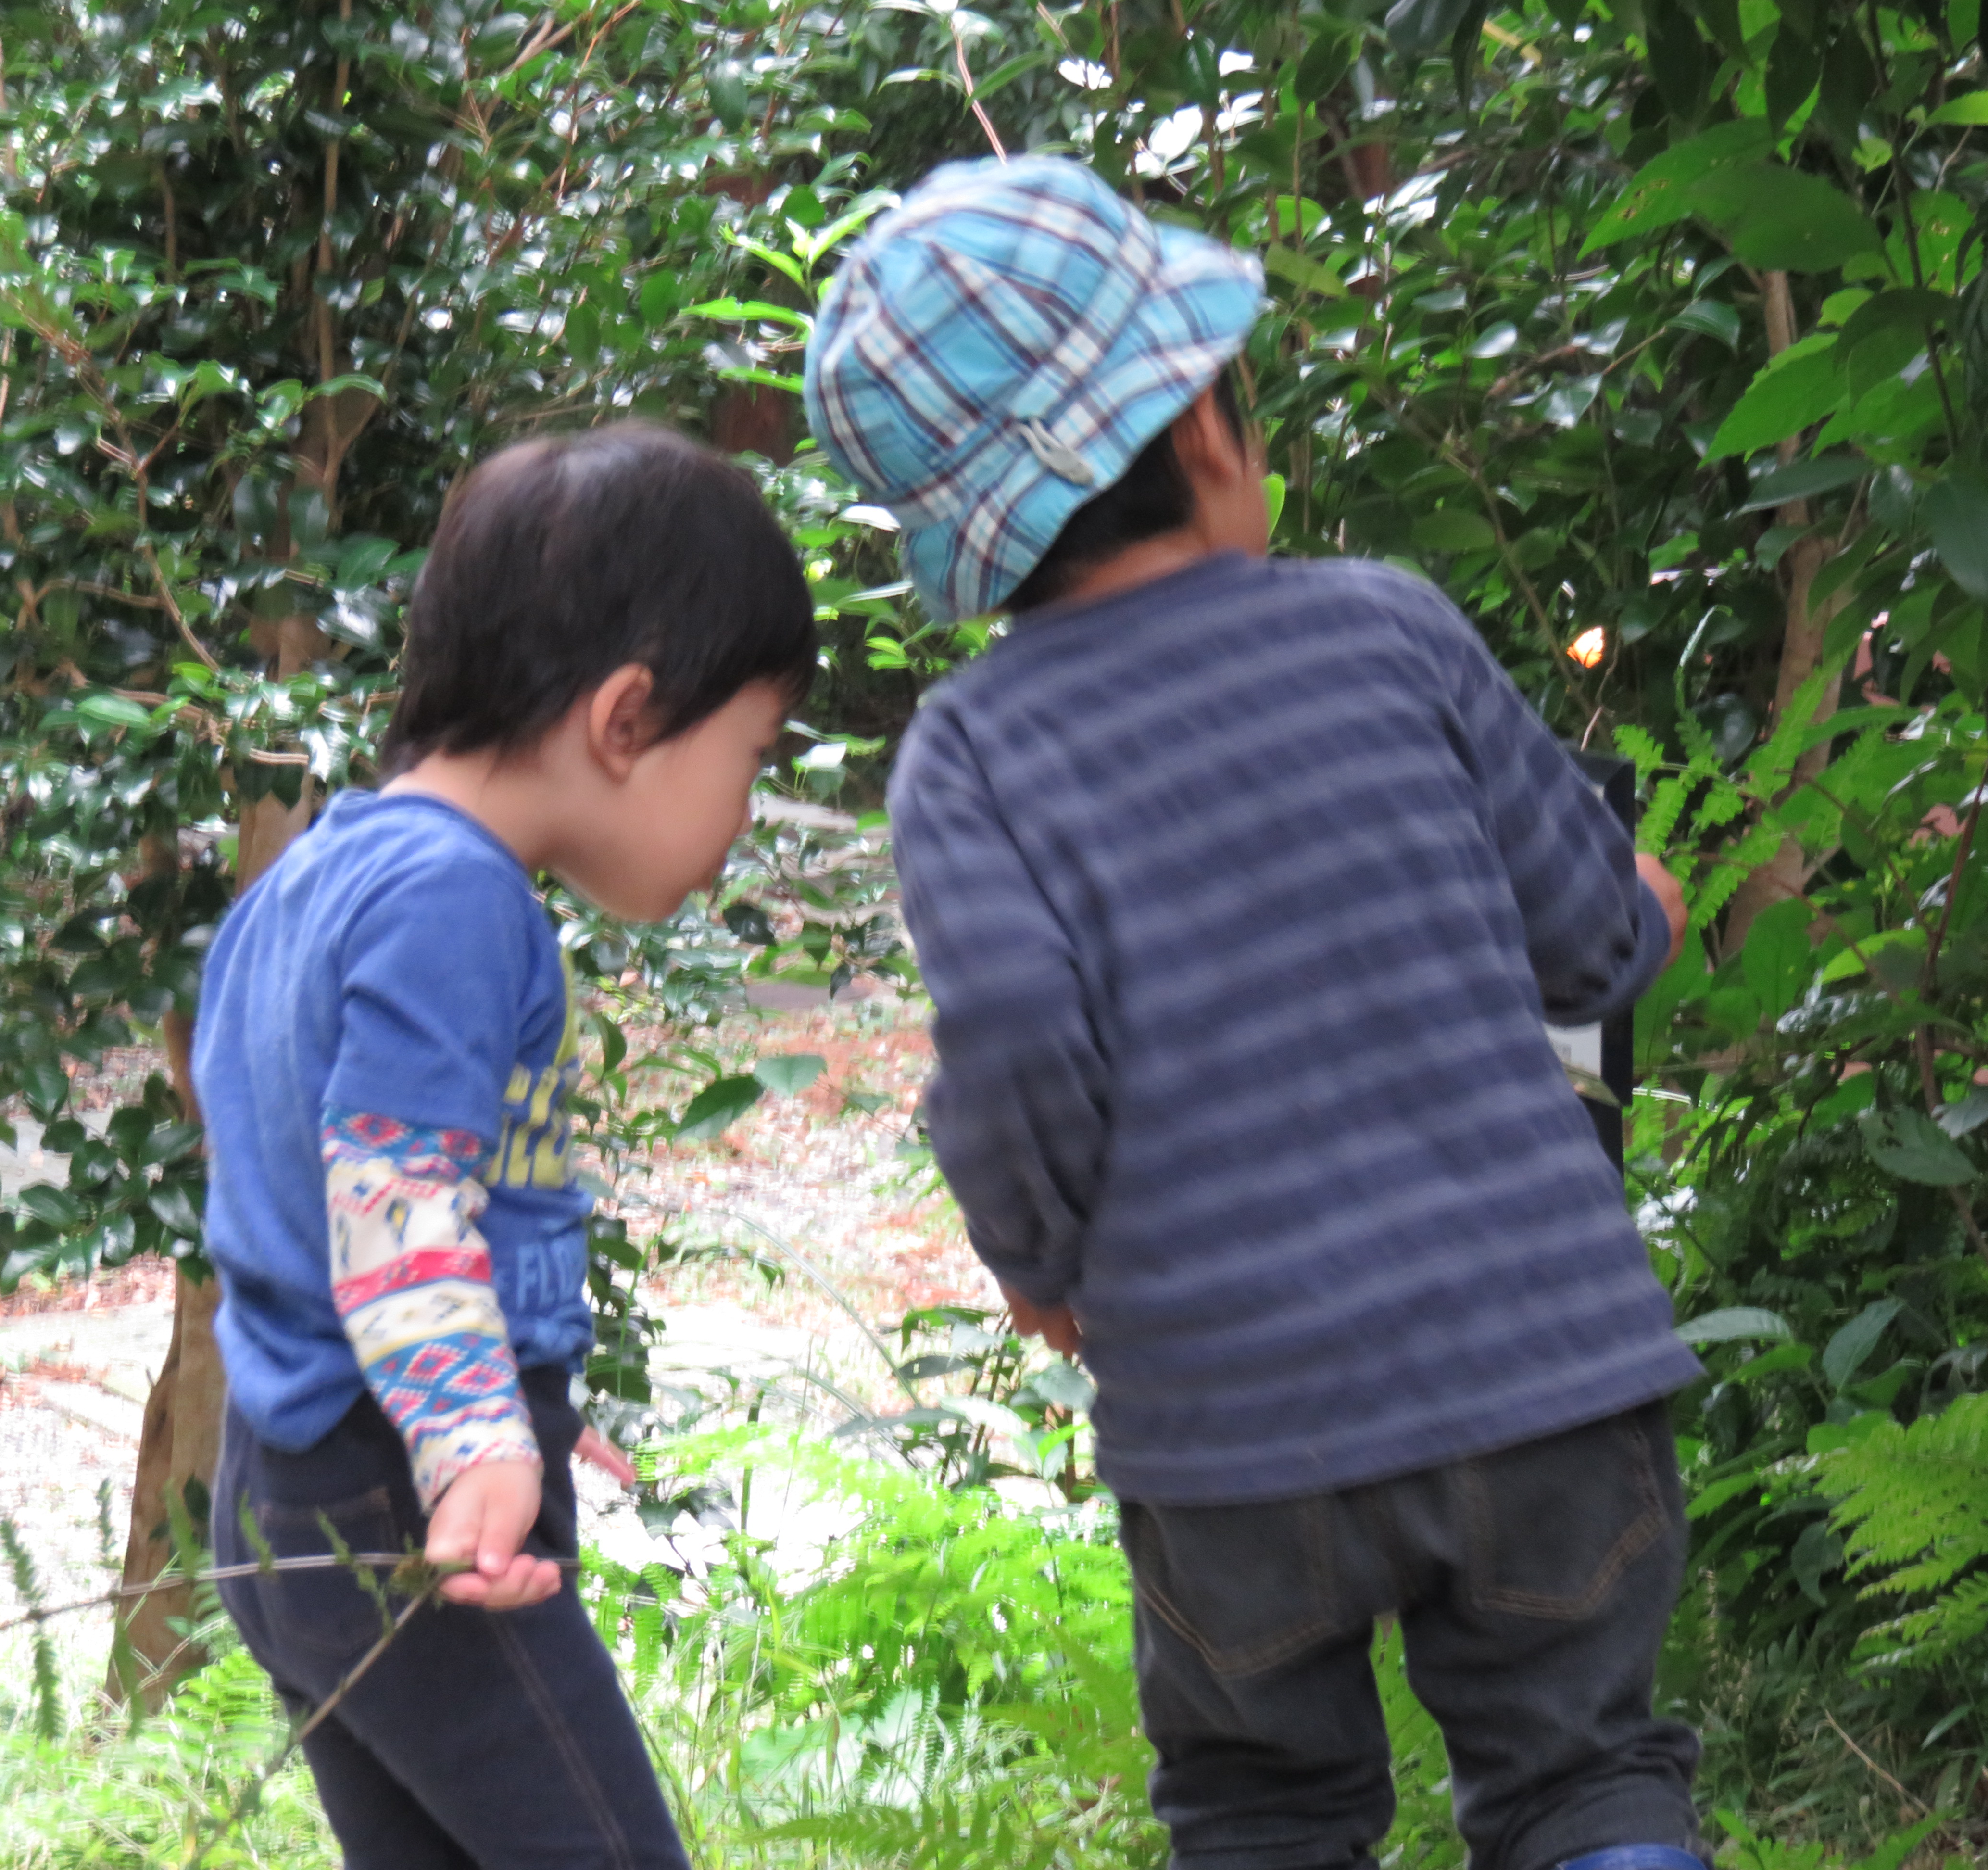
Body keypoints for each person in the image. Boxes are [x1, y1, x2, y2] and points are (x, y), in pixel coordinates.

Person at [803, 157, 1705, 1870]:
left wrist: (1038, 1257)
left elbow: (1011, 1031)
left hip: (1232, 1429)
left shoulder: (971, 757)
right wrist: (1643, 909)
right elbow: (1589, 944)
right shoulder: (1392, 631)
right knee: (1582, 1776)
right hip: (1539, 1367)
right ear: (1212, 432)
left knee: (1263, 1812)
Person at [194, 424, 817, 1870]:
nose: (743, 816)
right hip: (396, 1498)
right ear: (626, 719)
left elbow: (288, 1176)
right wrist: (472, 1429)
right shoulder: (457, 899)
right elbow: (393, 1193)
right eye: (750, 756)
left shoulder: (316, 880)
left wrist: (518, 1364)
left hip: (281, 1488)